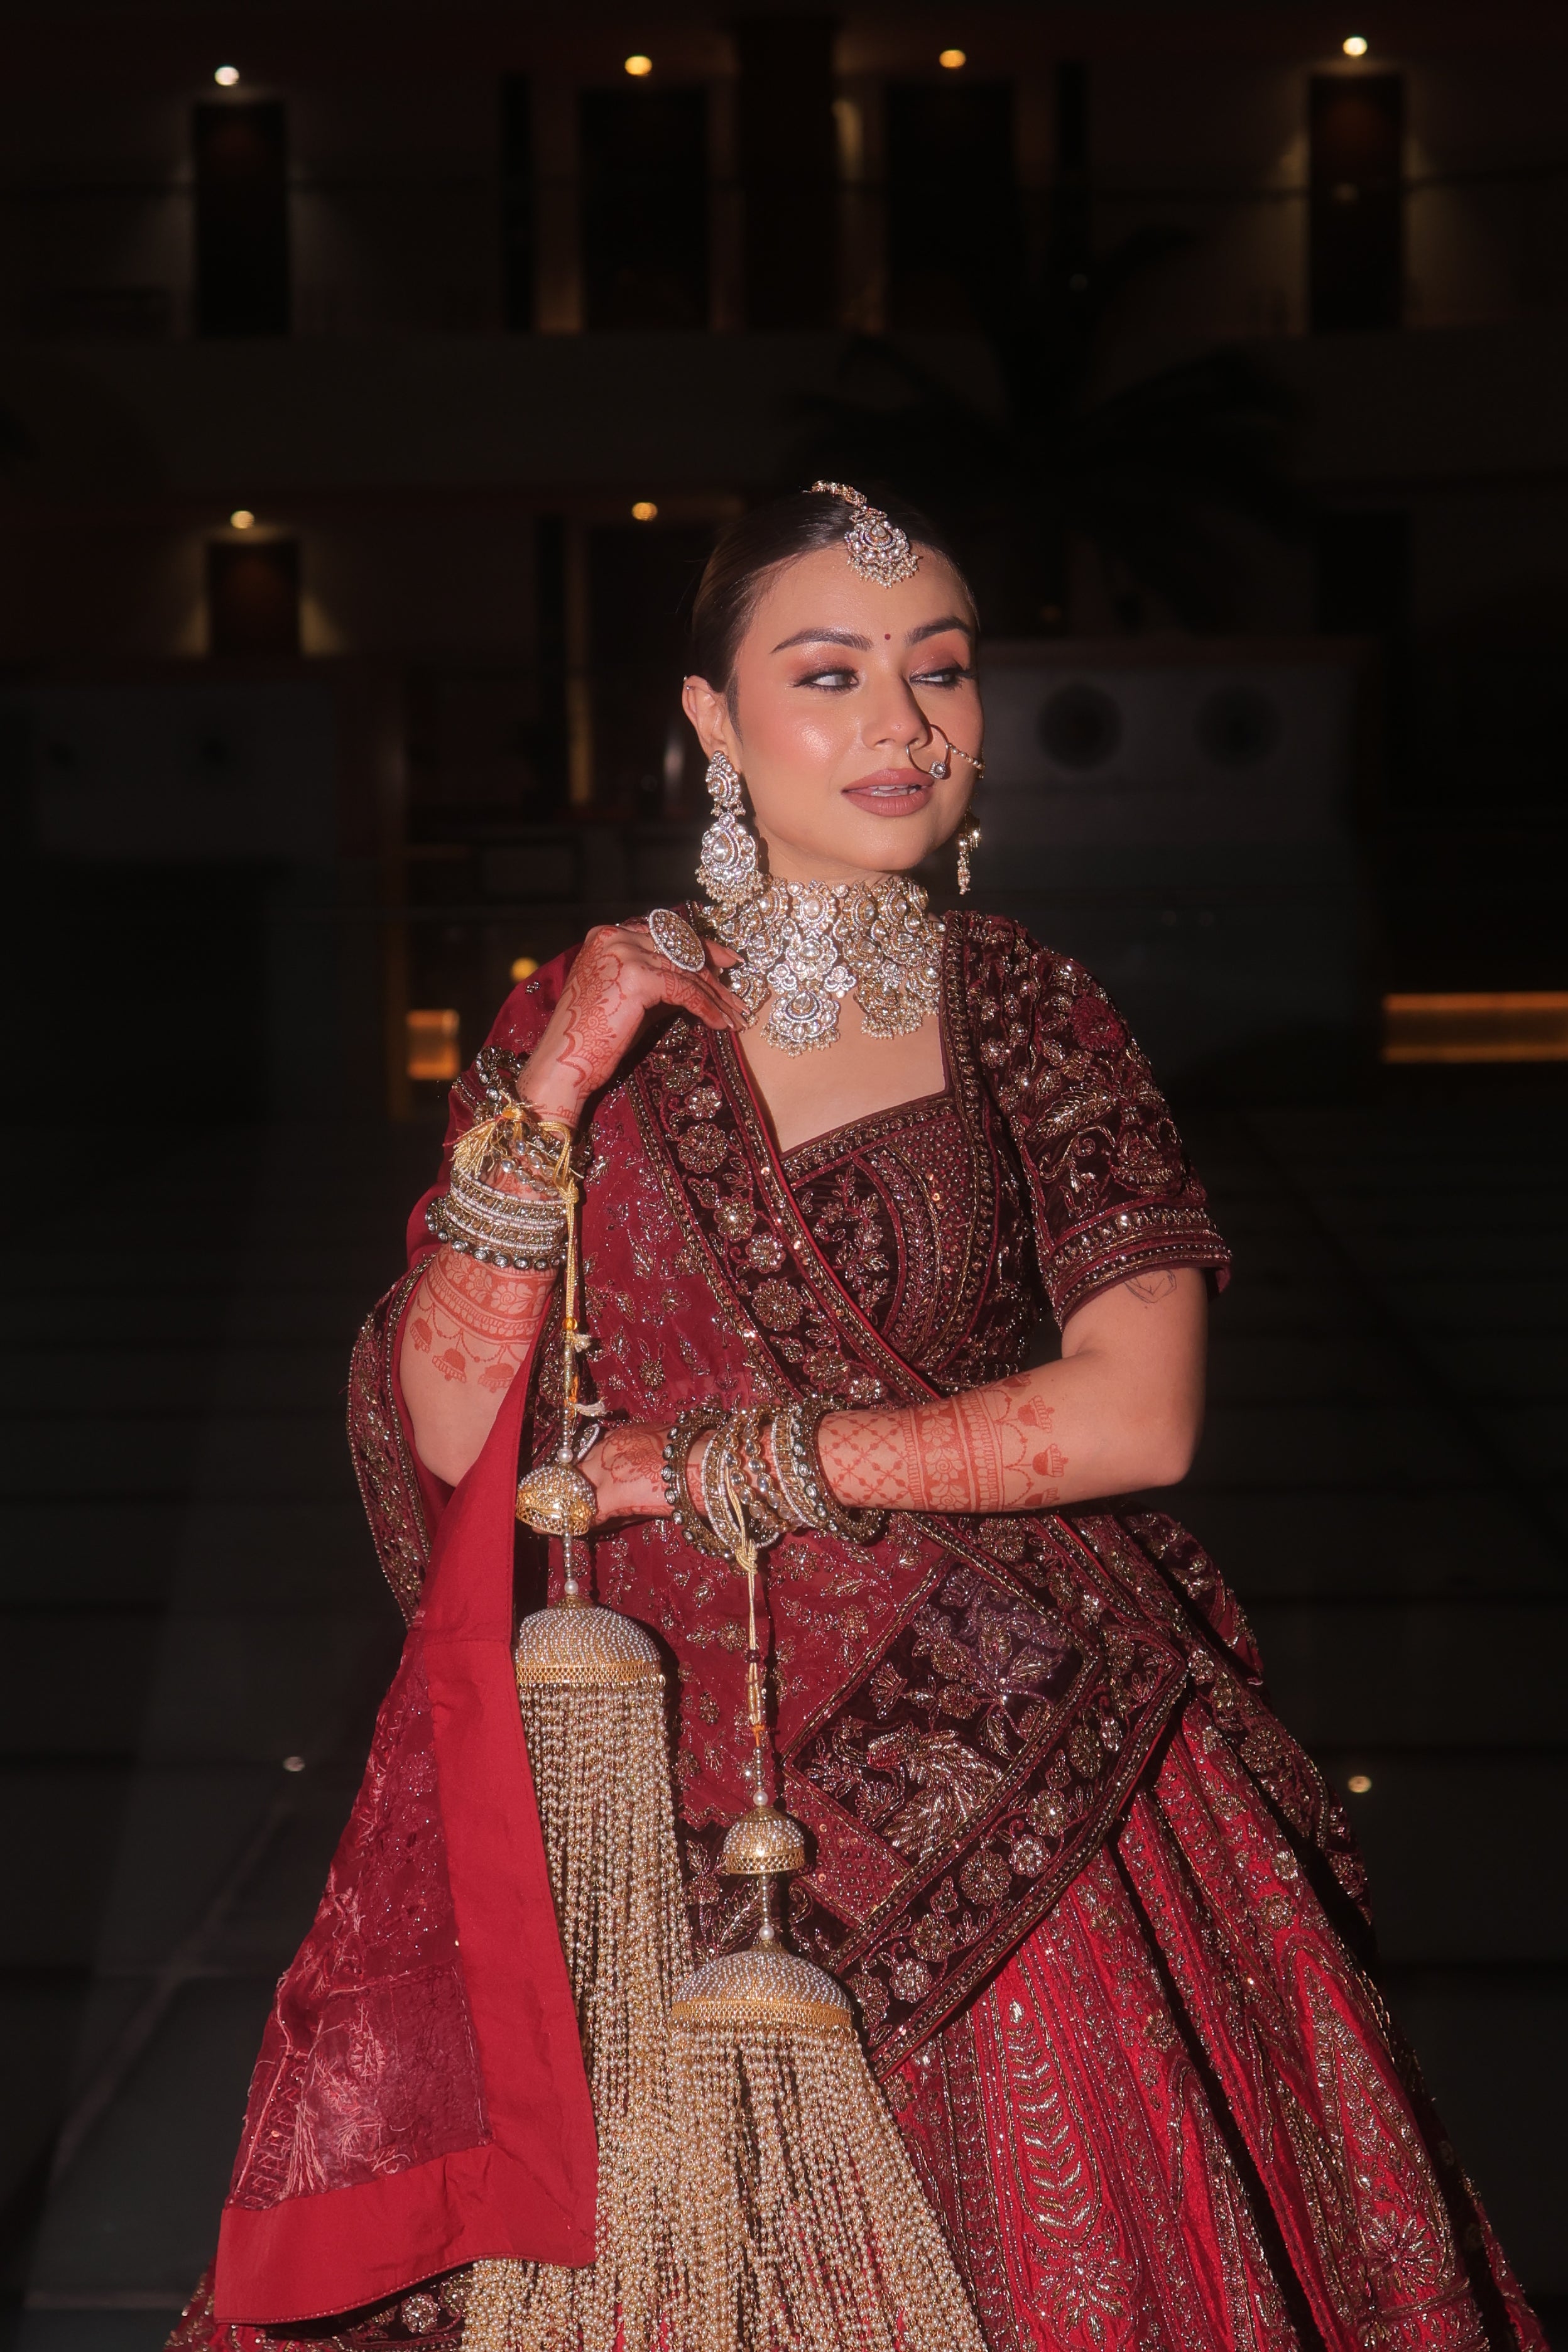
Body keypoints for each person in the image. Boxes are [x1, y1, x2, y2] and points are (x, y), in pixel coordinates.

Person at [174, 486, 1543, 2352]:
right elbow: (443, 1416)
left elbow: (1137, 1417)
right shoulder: (573, 1028)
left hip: (1011, 1756)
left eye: (943, 675)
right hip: (643, 1793)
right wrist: (560, 1081)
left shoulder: (1032, 1015)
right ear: (714, 723)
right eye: (830, 677)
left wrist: (737, 1465)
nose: (905, 729)